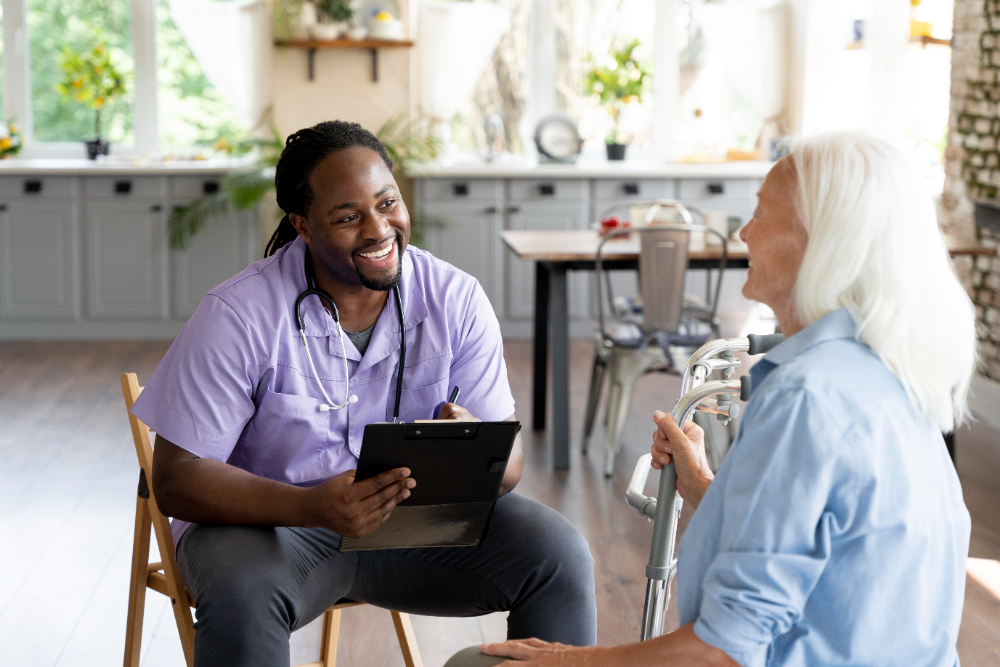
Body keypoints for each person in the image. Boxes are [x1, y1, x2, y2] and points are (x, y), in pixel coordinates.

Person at [453, 132, 977, 666]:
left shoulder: (807, 397)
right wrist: (705, 486)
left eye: (761, 214)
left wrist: (568, 661)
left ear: (820, 240)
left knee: (476, 664)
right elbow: (824, 547)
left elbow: (722, 651)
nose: (745, 232)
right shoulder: (886, 372)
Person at [130, 120, 597, 667]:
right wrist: (311, 506)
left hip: (415, 527)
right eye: (348, 217)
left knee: (558, 553)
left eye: (387, 203)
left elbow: (509, 460)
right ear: (302, 225)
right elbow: (177, 478)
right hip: (271, 529)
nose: (379, 229)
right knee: (243, 588)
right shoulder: (239, 314)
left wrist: (476, 449)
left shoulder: (455, 299)